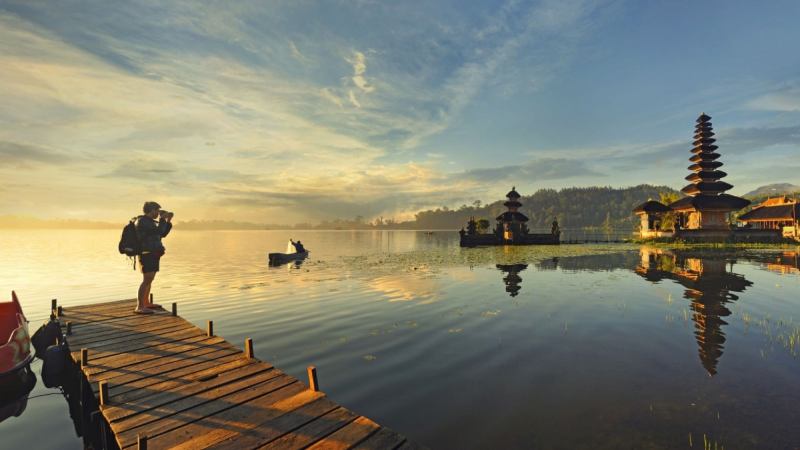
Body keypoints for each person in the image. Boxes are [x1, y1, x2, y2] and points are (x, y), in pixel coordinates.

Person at [135, 201, 173, 314]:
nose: (158, 213)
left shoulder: (150, 222)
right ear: (151, 210)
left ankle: (146, 302)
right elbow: (159, 230)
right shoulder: (143, 221)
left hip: (153, 253)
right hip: (146, 254)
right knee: (146, 280)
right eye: (157, 211)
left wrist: (168, 221)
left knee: (150, 280)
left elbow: (162, 234)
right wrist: (162, 219)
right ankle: (139, 306)